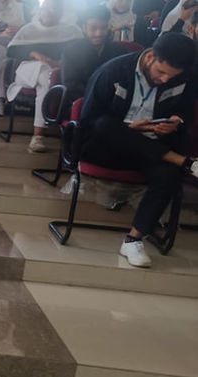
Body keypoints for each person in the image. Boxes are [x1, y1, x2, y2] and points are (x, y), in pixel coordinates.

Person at [78, 33, 197, 268]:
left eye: (171, 76)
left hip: (150, 148)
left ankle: (133, 240)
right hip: (106, 148)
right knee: (105, 125)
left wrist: (176, 122)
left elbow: (185, 115)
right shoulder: (113, 71)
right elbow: (88, 121)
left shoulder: (184, 77)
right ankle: (186, 162)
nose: (165, 80)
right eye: (161, 72)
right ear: (150, 57)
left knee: (168, 175)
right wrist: (127, 129)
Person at [3, 0, 81, 153]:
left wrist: (59, 62)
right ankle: (40, 133)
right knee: (45, 72)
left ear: (61, 11)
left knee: (46, 78)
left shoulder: (71, 30)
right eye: (47, 8)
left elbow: (78, 54)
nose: (51, 12)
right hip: (27, 69)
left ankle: (38, 135)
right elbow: (12, 51)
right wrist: (35, 54)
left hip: (56, 71)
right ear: (41, 9)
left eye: (55, 8)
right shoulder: (29, 29)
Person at [62, 6, 128, 103]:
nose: (99, 33)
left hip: (114, 101)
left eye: (103, 28)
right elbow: (71, 86)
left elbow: (125, 79)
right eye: (93, 28)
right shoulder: (70, 51)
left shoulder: (119, 51)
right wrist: (97, 97)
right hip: (82, 102)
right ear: (84, 28)